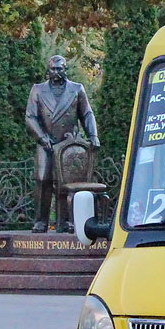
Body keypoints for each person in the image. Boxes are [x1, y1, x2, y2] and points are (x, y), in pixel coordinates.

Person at [25, 55, 100, 232]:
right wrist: (42, 138)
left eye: (60, 69)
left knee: (67, 181)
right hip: (46, 143)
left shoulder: (76, 89)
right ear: (48, 70)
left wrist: (93, 135)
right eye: (53, 69)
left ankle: (64, 221)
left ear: (65, 69)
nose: (56, 72)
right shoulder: (37, 90)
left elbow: (87, 114)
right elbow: (30, 117)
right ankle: (41, 220)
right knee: (43, 179)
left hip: (69, 143)